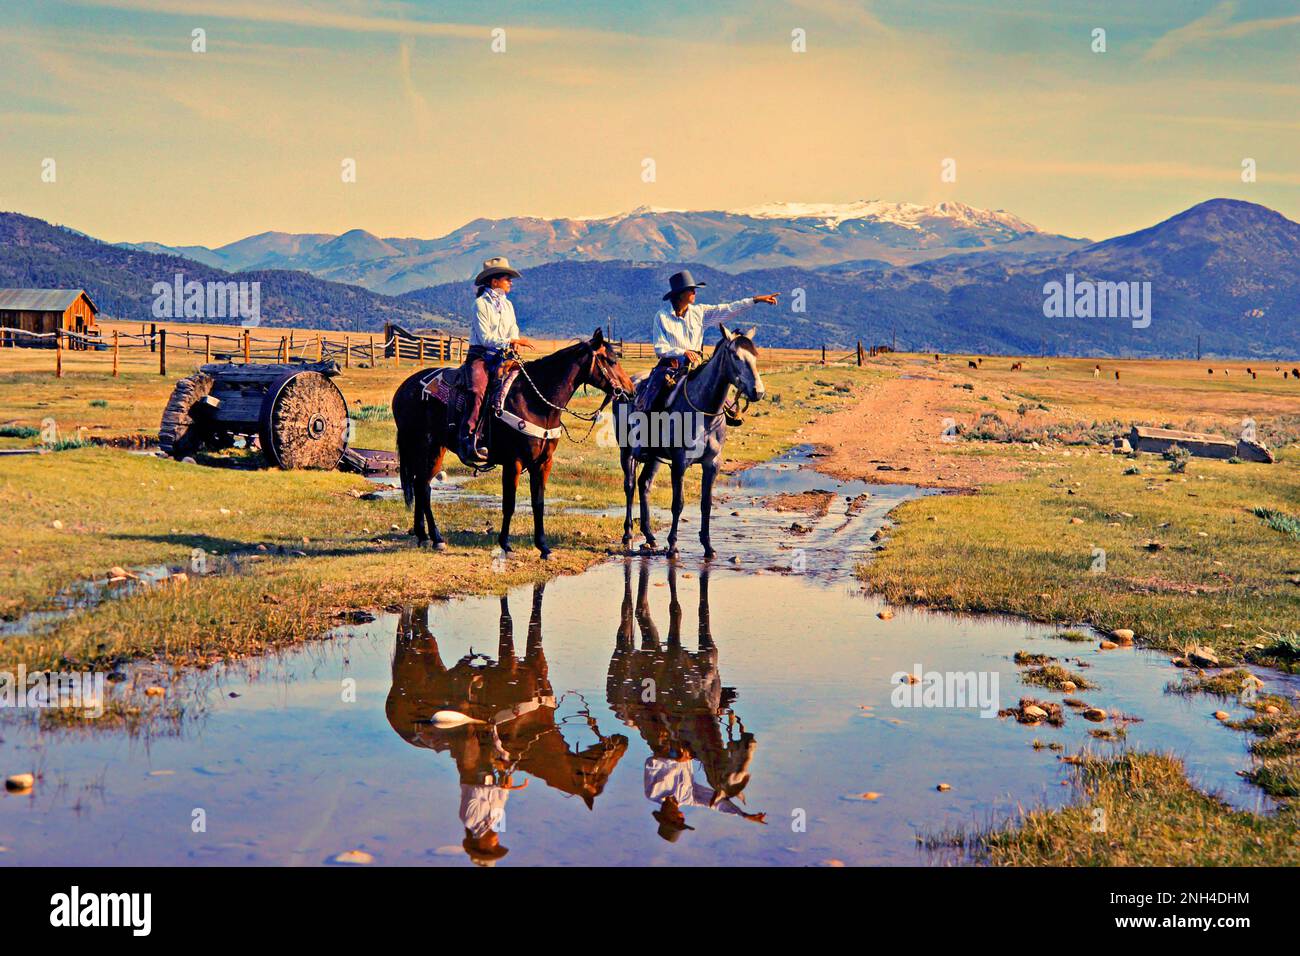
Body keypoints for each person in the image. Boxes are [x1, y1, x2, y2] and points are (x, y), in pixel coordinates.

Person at [639, 270, 778, 414]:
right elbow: (660, 348)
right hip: (671, 366)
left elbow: (729, 308)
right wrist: (683, 352)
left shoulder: (700, 312)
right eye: (691, 290)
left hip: (696, 365)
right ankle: (648, 424)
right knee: (654, 399)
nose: (695, 292)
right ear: (680, 294)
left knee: (717, 390)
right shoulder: (662, 316)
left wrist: (755, 300)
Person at [460, 256, 536, 463]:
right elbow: (485, 338)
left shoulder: (508, 306)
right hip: (481, 356)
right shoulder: (480, 305)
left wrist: (515, 343)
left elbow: (513, 329)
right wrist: (511, 340)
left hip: (503, 356)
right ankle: (469, 437)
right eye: (507, 278)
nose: (510, 282)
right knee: (477, 390)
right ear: (494, 282)